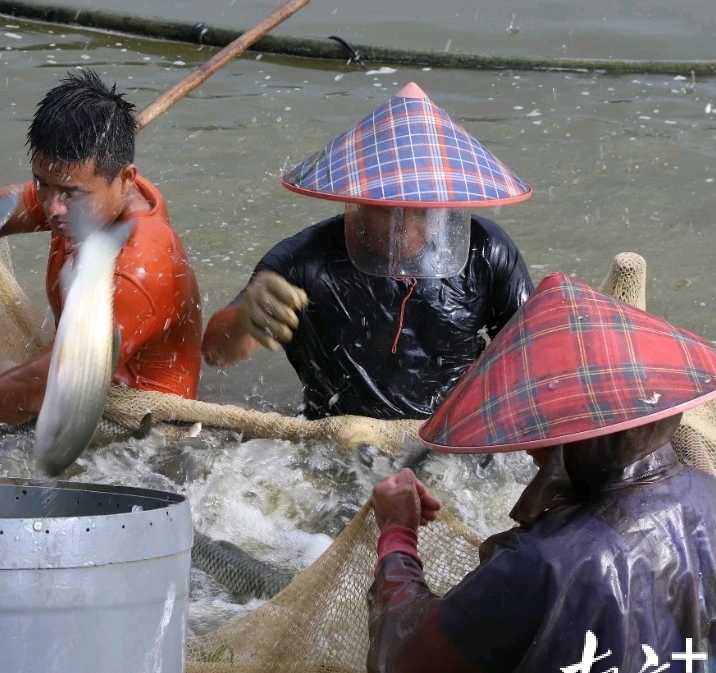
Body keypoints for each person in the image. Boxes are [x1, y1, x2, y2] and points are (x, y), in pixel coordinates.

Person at [366, 272, 716, 673]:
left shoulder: (546, 564)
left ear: (577, 442)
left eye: (545, 433)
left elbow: (414, 662)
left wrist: (397, 536)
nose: (530, 448)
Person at [202, 82, 534, 421]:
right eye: (386, 209)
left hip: (449, 438)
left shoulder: (486, 251)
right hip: (339, 441)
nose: (403, 227)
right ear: (357, 201)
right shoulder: (304, 262)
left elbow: (532, 353)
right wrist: (246, 317)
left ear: (446, 206)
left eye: (422, 210)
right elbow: (216, 353)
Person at [0, 68, 202, 431]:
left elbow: (53, 384)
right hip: (71, 383)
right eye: (42, 183)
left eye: (70, 193)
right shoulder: (87, 194)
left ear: (126, 179)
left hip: (136, 429)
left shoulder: (136, 268)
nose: (52, 207)